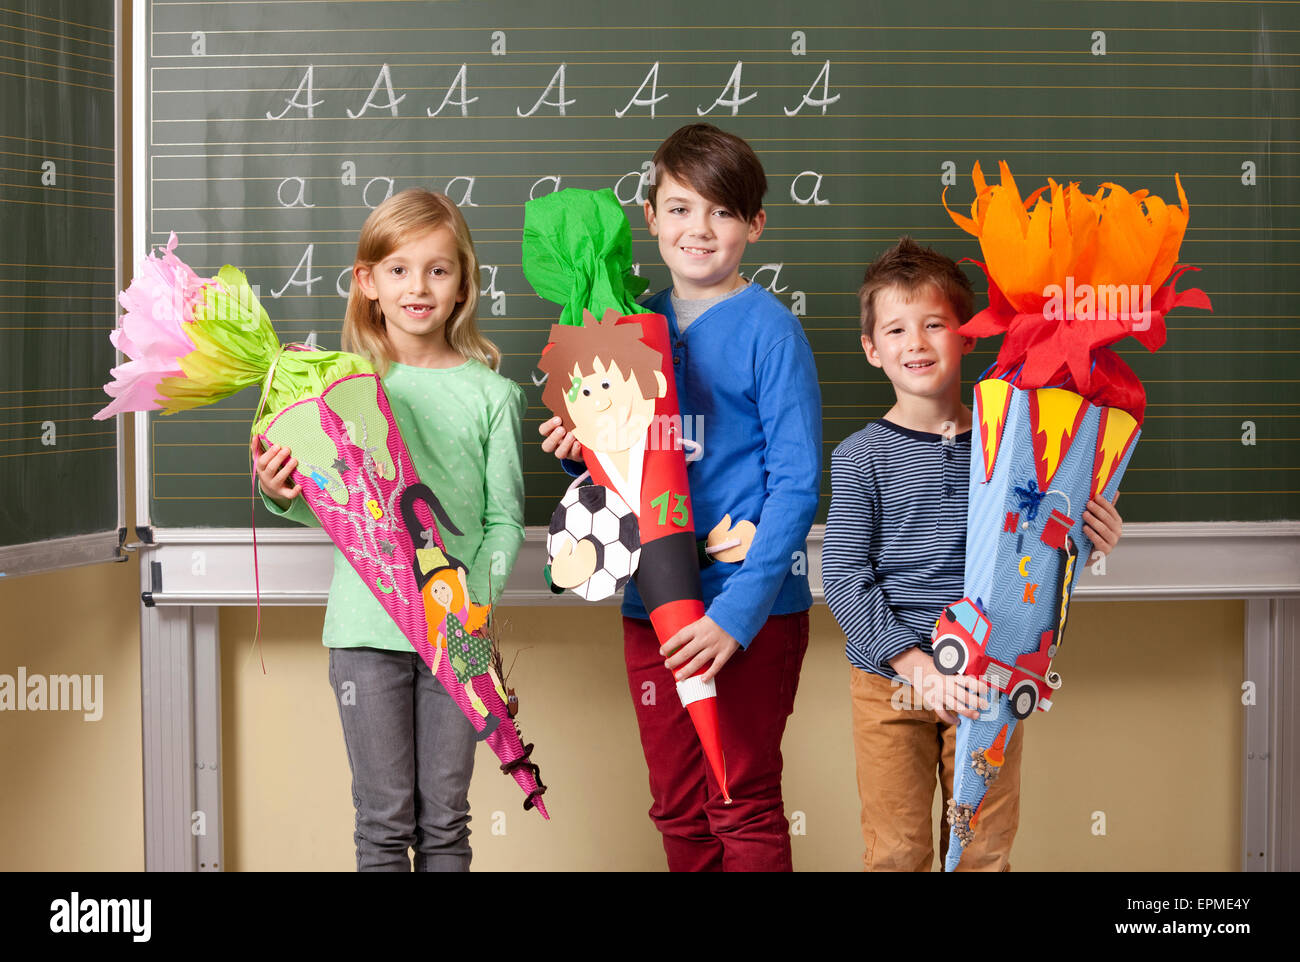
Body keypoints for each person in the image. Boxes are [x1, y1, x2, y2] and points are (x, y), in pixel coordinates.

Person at [540, 123, 822, 871]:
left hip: (747, 612)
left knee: (743, 800)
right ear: (650, 214)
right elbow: (623, 473)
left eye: (722, 212)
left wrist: (735, 616)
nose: (699, 229)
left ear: (754, 225)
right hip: (653, 608)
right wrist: (582, 457)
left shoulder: (771, 331)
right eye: (679, 208)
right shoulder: (628, 327)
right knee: (677, 807)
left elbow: (797, 485)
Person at [821, 237, 1124, 871]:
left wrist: (1091, 534)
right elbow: (845, 571)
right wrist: (915, 666)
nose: (917, 342)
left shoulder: (1013, 450)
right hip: (890, 687)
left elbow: (1038, 554)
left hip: (989, 681)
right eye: (896, 329)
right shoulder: (859, 457)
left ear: (969, 337)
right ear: (873, 350)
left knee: (982, 852)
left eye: (935, 324)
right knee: (897, 853)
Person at [253, 189, 525, 871]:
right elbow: (329, 501)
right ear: (367, 283)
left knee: (446, 822)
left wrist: (475, 603)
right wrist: (280, 488)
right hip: (365, 634)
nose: (419, 287)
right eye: (399, 269)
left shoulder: (493, 395)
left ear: (464, 282)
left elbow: (504, 519)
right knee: (383, 822)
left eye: (438, 269)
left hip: (455, 634)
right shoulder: (341, 385)